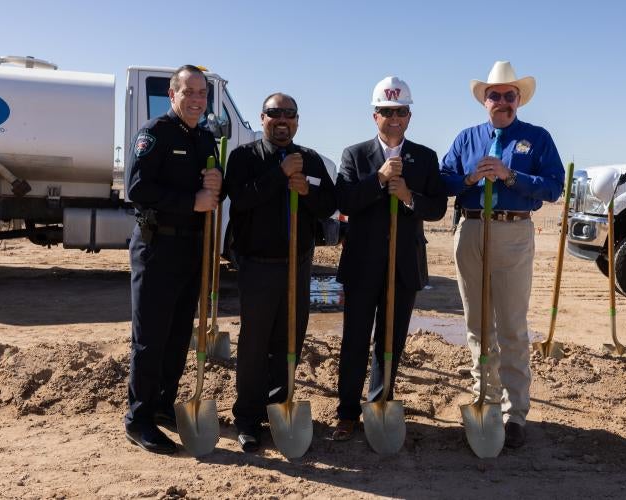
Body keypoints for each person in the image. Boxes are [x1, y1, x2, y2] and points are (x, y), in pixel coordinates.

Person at [440, 61, 564, 449]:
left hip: (513, 231)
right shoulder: (466, 138)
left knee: (511, 325)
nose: (503, 102)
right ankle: (485, 401)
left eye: (510, 96)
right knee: (477, 323)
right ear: (485, 100)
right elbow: (442, 178)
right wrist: (470, 178)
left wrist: (511, 177)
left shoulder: (537, 138)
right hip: (472, 230)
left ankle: (515, 414)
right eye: (495, 95)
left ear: (519, 100)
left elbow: (554, 186)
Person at [332, 76, 446, 441]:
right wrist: (379, 180)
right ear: (374, 116)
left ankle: (379, 405)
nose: (393, 118)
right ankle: (347, 411)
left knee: (390, 341)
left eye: (399, 111)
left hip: (403, 265)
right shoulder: (354, 155)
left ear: (409, 116)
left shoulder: (425, 158)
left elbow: (438, 208)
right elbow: (345, 201)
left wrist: (409, 197)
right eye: (385, 111)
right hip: (362, 265)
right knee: (354, 341)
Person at [224, 92, 336, 452]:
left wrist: (306, 190)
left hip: (298, 265)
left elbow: (329, 205)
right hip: (258, 266)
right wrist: (279, 174)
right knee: (254, 344)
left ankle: (279, 409)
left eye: (289, 114)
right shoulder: (244, 157)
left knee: (289, 341)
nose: (282, 119)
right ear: (262, 118)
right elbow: (240, 200)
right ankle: (247, 418)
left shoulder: (311, 160)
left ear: (298, 121)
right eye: (275, 113)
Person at [124, 65, 223, 455]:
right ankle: (139, 418)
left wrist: (218, 185)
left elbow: (210, 187)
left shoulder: (204, 138)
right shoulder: (155, 133)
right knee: (150, 339)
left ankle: (163, 404)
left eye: (203, 93)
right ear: (173, 94)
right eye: (190, 92)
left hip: (191, 250)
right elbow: (136, 187)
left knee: (178, 334)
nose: (197, 100)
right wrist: (191, 201)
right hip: (157, 248)